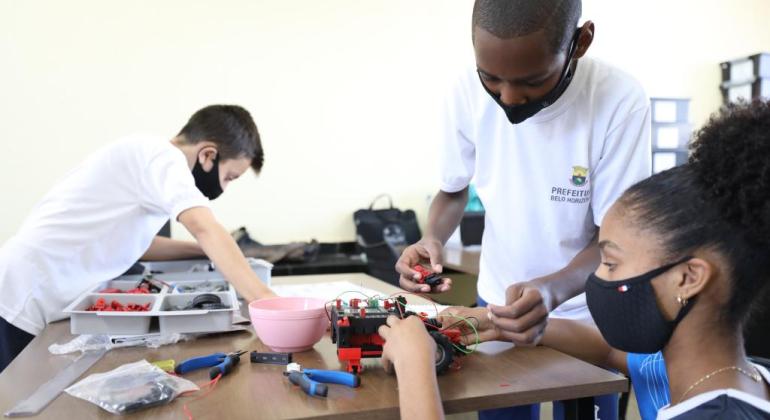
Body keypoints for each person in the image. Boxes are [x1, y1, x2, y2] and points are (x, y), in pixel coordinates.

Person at [396, 101, 770, 419]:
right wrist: (492, 322)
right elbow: (607, 349)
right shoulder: (716, 371)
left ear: (688, 278)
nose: (596, 279)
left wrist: (415, 368)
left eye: (609, 262)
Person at [395, 0, 651, 417]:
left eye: (532, 80)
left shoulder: (619, 100)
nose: (509, 98)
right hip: (496, 305)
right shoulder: (464, 90)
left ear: (580, 42)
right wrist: (432, 237)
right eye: (491, 78)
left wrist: (554, 288)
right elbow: (453, 189)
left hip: (590, 315)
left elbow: (619, 240)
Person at [0, 104, 276, 372]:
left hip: (36, 287)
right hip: (25, 291)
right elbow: (203, 226)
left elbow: (140, 247)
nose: (224, 187)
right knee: (13, 399)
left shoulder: (144, 159)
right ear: (207, 155)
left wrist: (205, 251)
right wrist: (267, 301)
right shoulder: (162, 156)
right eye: (229, 176)